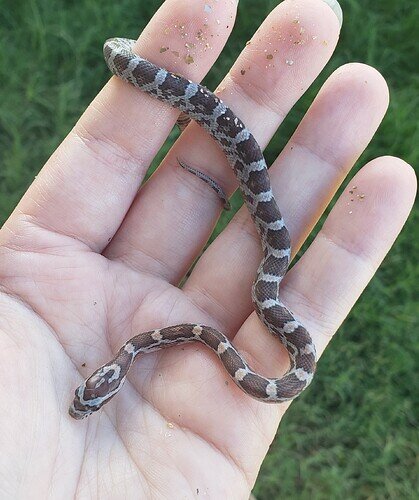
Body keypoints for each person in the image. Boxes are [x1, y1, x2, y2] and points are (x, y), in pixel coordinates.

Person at [0, 0, 415, 497]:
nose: (81, 406)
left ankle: (132, 63)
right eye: (90, 402)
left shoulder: (139, 348)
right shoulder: (135, 349)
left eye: (84, 400)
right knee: (266, 258)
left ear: (105, 376)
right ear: (105, 382)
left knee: (268, 275)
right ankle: (131, 63)